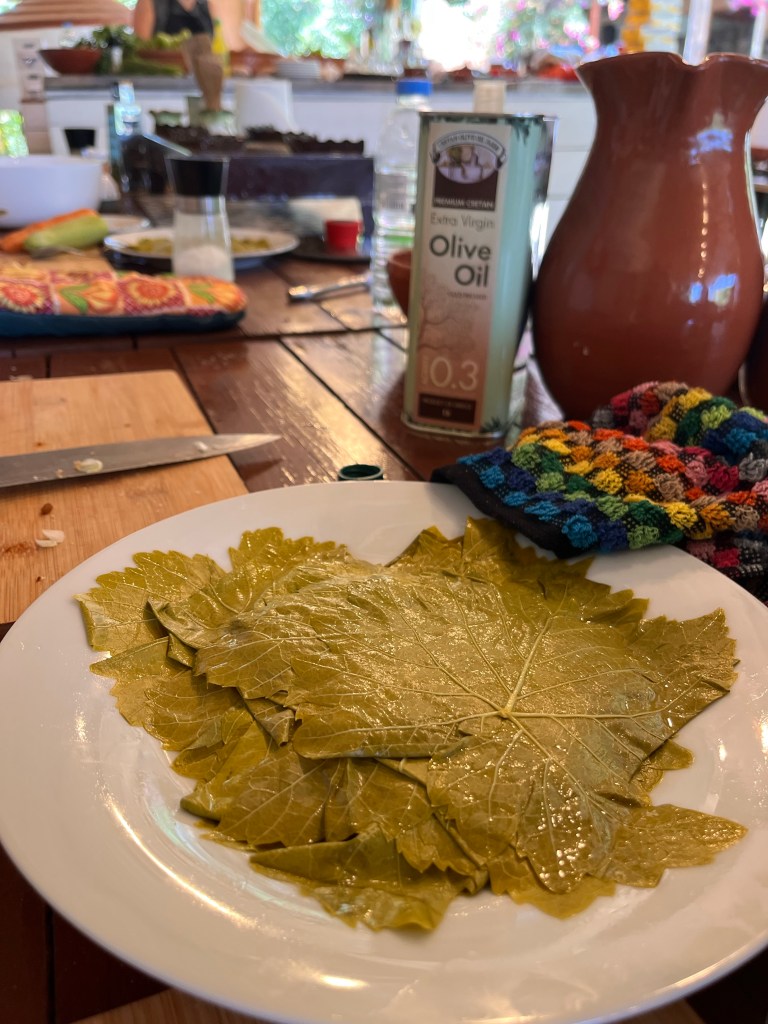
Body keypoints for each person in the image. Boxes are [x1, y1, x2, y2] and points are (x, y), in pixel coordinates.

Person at [133, 0, 214, 41]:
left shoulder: (210, 4)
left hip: (203, 67)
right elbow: (141, 48)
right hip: (162, 66)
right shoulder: (149, 2)